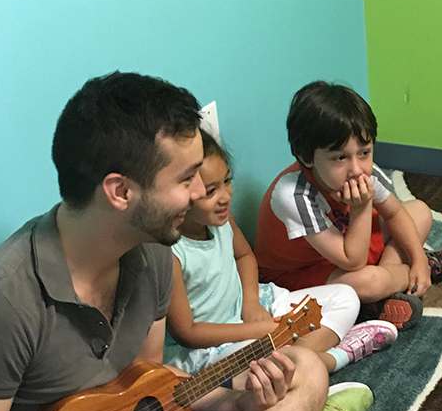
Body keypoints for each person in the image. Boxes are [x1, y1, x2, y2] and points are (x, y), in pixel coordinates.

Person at [0, 72, 373, 411]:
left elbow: (148, 386)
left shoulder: (152, 252)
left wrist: (236, 403)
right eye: (186, 179)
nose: (201, 192)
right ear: (120, 192)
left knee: (302, 367)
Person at [165, 128, 397, 375]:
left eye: (227, 181)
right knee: (254, 369)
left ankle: (302, 362)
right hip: (215, 347)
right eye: (211, 191)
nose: (225, 197)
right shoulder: (171, 252)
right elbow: (188, 332)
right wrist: (263, 330)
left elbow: (244, 256)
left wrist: (252, 304)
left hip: (257, 308)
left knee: (345, 297)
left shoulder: (221, 220)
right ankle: (334, 358)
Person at [255, 81, 442, 329]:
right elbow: (352, 262)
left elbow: (395, 213)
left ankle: (398, 284)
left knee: (419, 211)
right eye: (340, 157)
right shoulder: (293, 195)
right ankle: (411, 277)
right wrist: (362, 207)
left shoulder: (364, 172)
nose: (356, 169)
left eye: (364, 152)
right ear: (306, 156)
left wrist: (417, 258)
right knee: (369, 281)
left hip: (352, 245)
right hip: (304, 275)